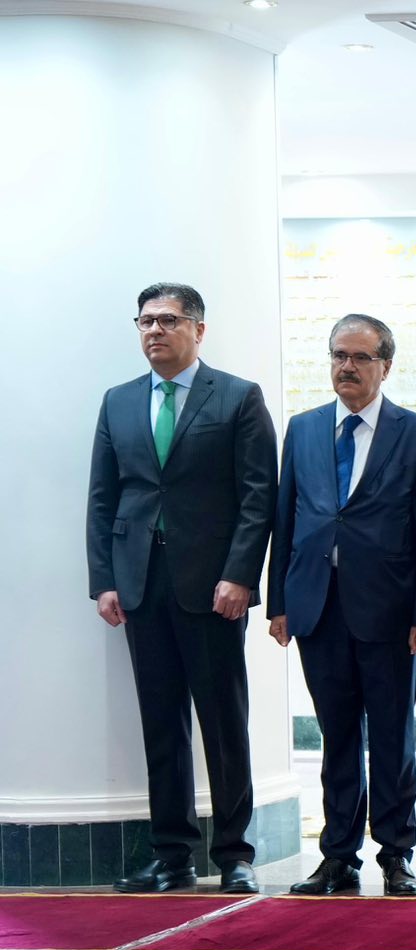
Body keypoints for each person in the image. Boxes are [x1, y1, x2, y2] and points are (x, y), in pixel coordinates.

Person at [88, 282, 277, 895]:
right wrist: (104, 581)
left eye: (168, 320)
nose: (155, 331)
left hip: (213, 587)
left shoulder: (238, 397)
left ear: (198, 329)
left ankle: (235, 854)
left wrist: (240, 575)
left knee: (223, 723)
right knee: (161, 724)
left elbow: (259, 496)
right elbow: (103, 498)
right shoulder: (119, 401)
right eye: (145, 321)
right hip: (141, 585)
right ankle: (171, 855)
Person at [268, 313, 416, 896]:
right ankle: (338, 857)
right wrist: (279, 603)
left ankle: (396, 854)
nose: (347, 367)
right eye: (339, 356)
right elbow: (285, 519)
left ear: (385, 366)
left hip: (390, 613)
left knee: (392, 736)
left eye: (361, 358)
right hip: (318, 608)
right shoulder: (304, 428)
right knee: (337, 736)